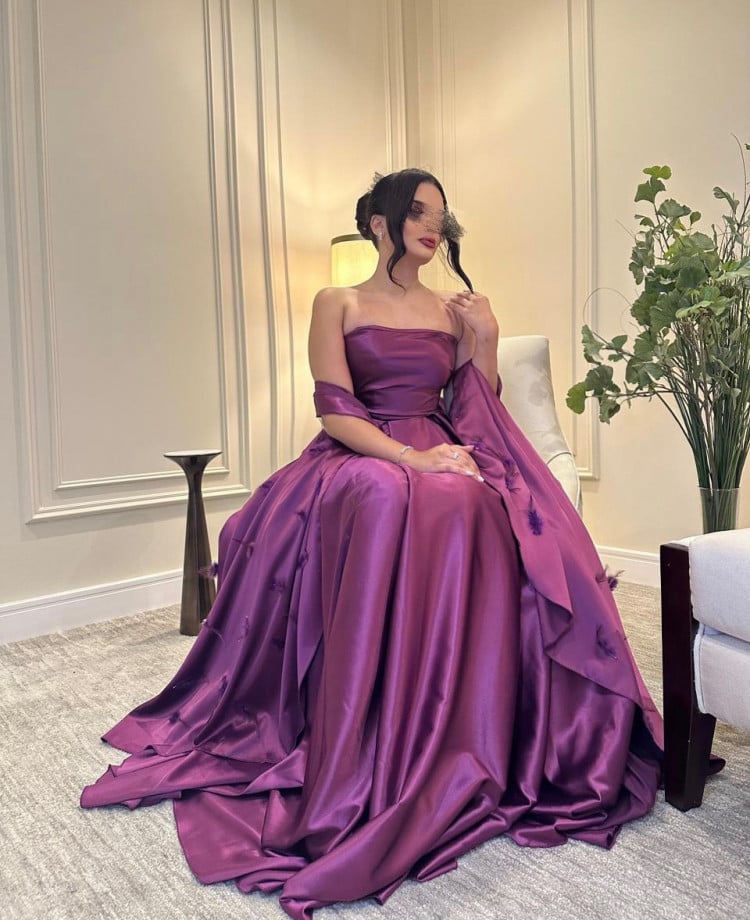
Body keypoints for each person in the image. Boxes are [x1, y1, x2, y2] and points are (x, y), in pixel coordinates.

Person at [81, 169, 663, 920]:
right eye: (417, 212)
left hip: (438, 443)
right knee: (392, 494)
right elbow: (335, 411)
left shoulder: (450, 309)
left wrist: (484, 338)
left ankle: (456, 721)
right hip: (361, 451)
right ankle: (369, 721)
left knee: (474, 498)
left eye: (440, 216)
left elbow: (473, 407)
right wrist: (411, 458)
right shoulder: (338, 301)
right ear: (380, 223)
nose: (433, 226)